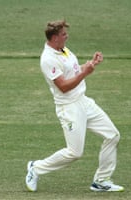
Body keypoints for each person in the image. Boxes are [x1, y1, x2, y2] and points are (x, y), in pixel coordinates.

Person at [25, 20, 124, 192]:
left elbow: (75, 72)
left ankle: (101, 180)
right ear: (55, 37)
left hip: (83, 101)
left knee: (112, 135)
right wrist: (86, 73)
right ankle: (36, 168)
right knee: (74, 153)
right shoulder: (48, 59)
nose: (67, 36)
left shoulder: (63, 50)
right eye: (63, 34)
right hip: (69, 108)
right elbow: (63, 86)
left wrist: (90, 65)